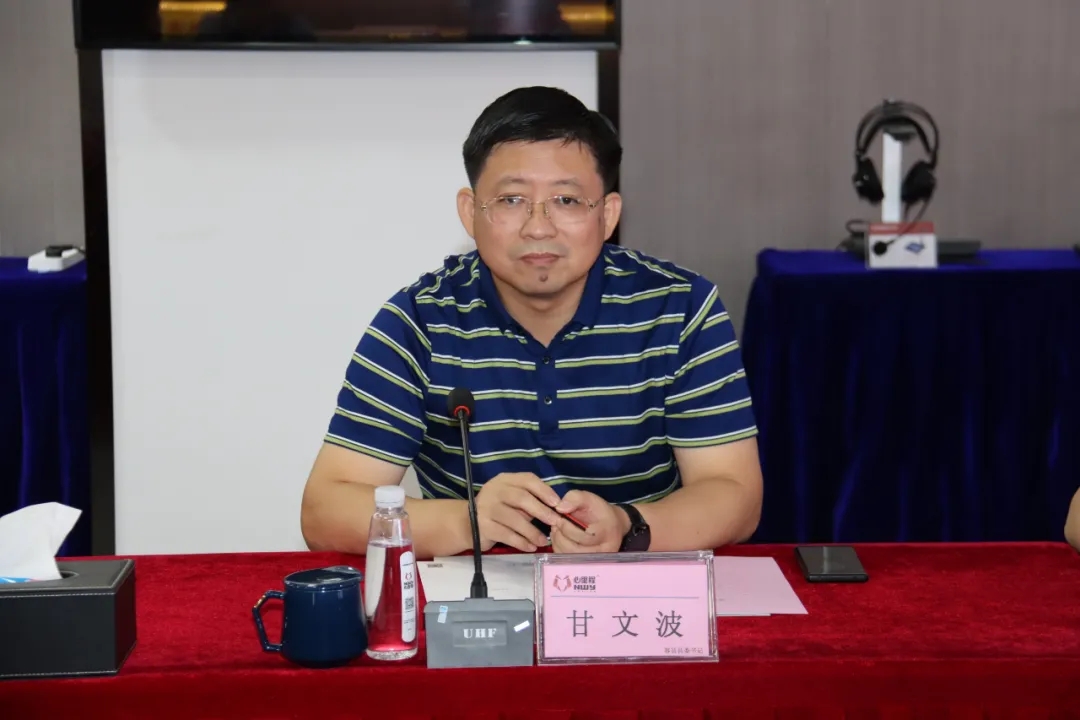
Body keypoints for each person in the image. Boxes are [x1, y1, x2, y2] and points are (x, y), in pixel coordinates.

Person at [300, 86, 763, 560]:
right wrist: (469, 520)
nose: (538, 227)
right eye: (511, 200)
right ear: (470, 212)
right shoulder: (420, 321)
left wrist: (629, 527)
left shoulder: (679, 309)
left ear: (607, 215)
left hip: (639, 584)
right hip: (474, 592)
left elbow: (735, 493)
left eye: (566, 200)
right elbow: (325, 510)